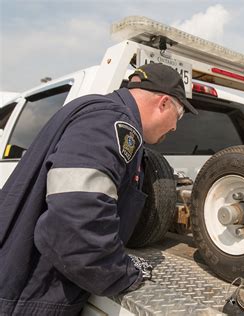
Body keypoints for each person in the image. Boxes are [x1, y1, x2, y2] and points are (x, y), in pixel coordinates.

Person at [0, 63, 198, 316]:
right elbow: (74, 221)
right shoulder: (111, 122)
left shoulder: (102, 114)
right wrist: (122, 271)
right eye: (179, 116)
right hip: (28, 297)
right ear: (163, 103)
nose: (175, 128)